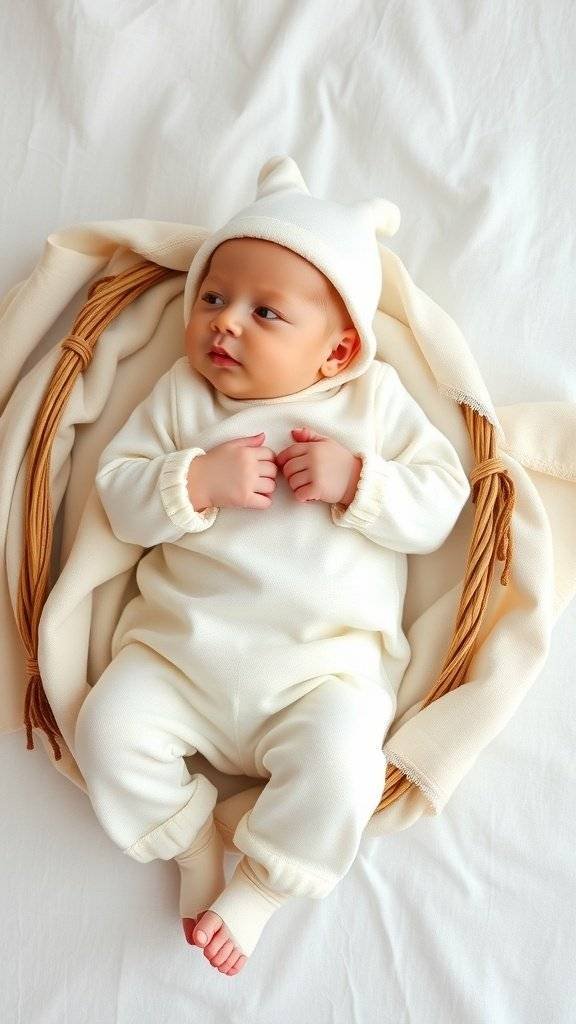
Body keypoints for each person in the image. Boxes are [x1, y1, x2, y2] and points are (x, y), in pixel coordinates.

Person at [73, 155, 471, 977]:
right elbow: (118, 494)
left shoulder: (373, 403)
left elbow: (442, 502)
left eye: (265, 312)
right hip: (178, 657)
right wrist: (191, 482)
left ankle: (259, 886)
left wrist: (359, 482)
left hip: (319, 675)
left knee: (343, 769)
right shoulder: (183, 397)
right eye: (212, 298)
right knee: (105, 730)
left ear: (337, 350)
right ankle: (190, 842)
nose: (225, 324)